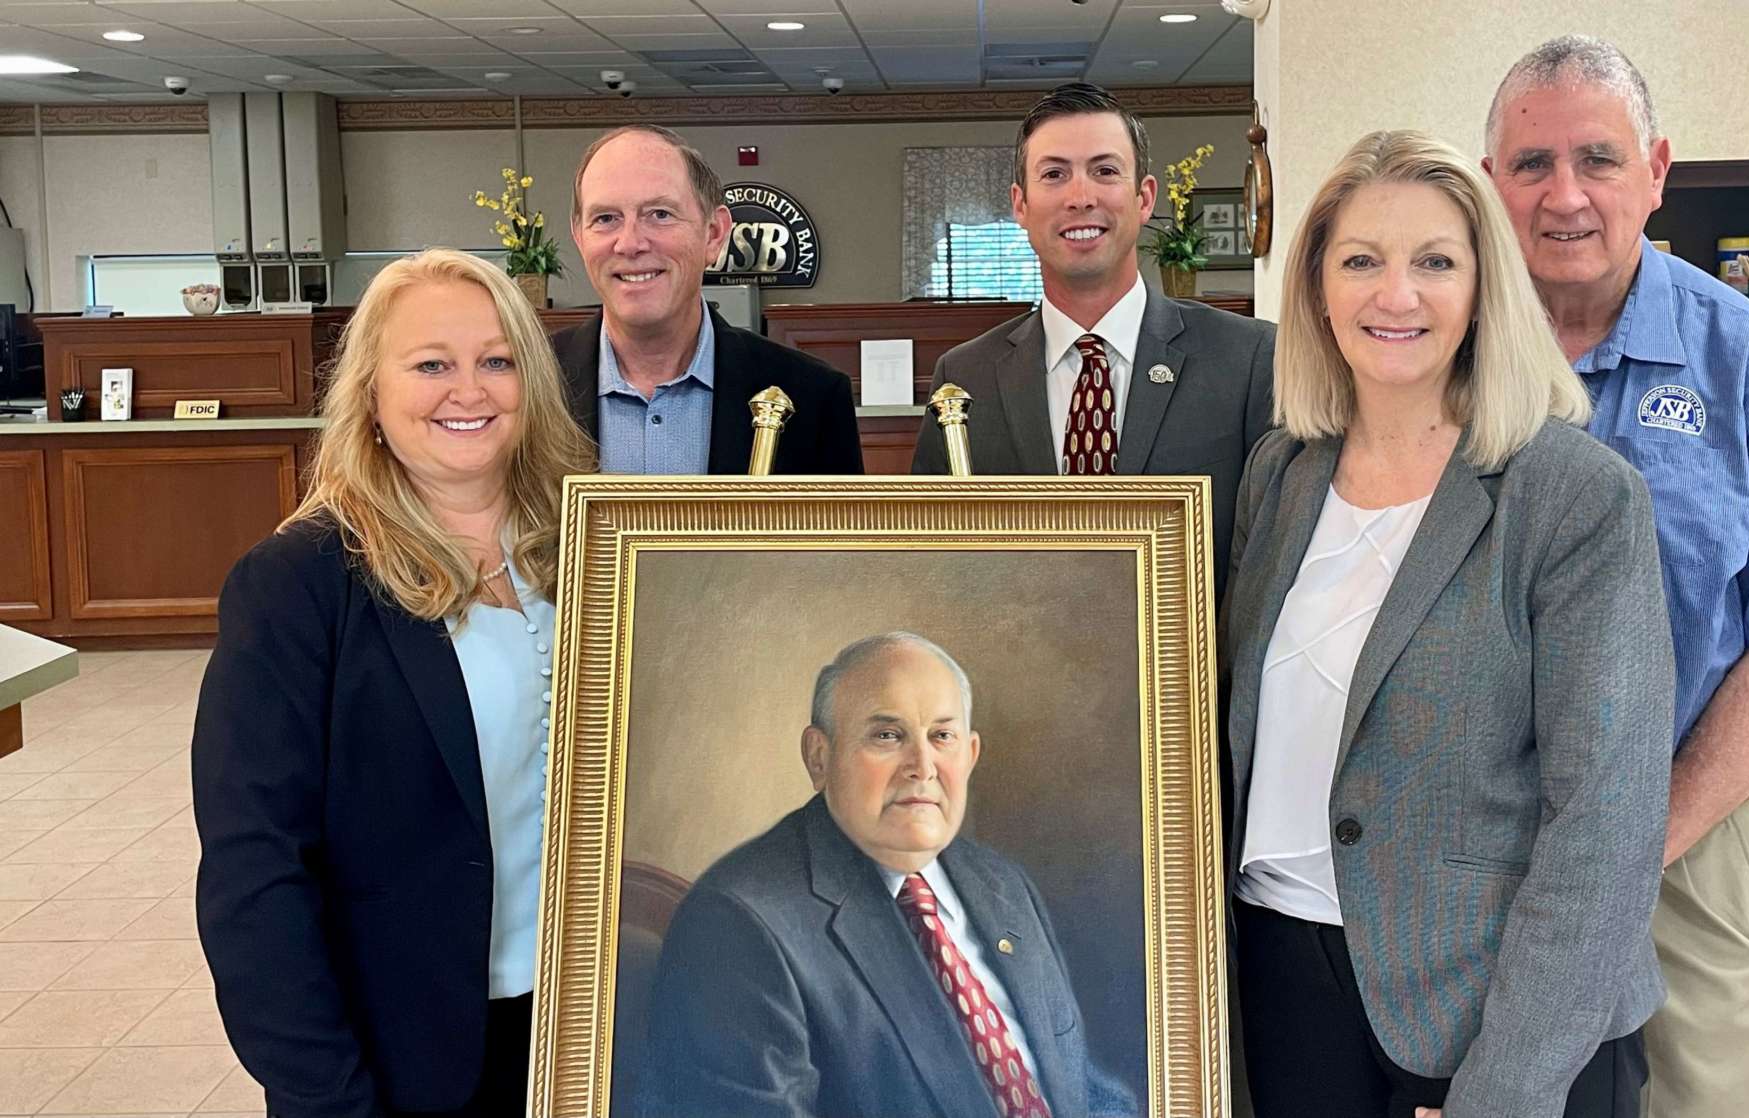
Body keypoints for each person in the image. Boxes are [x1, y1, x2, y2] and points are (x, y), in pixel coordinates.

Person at [1482, 36, 1749, 1118]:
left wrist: (1631, 843)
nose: (1565, 195)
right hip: (1475, 826)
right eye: (1532, 164)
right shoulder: (1440, 349)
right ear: (1491, 180)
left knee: (1693, 1093)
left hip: (1687, 820)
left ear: (1658, 170)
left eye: (1599, 158)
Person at [1223, 131, 1674, 1118]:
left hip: (1490, 1012)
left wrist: (1508, 1084)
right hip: (1289, 984)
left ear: (1484, 288)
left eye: (1435, 260)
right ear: (1315, 289)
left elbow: (1607, 821)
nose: (1397, 294)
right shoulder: (1282, 474)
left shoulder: (1574, 495)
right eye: (1361, 260)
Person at [193, 249, 595, 1118]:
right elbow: (254, 875)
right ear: (370, 394)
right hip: (402, 1059)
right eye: (431, 365)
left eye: (497, 360)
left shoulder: (589, 551)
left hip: (586, 1028)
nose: (470, 389)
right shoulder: (298, 585)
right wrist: (324, 1095)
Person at [644, 632, 1129, 1118]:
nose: (922, 767)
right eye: (887, 736)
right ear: (819, 757)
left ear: (970, 754)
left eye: (942, 736)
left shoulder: (1002, 885)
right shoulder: (738, 924)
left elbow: (1080, 1090)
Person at [910, 82, 1273, 576]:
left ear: (1144, 198)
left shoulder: (1249, 359)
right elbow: (933, 562)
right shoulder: (963, 377)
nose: (1080, 197)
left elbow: (1271, 564)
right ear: (1020, 205)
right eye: (1054, 174)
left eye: (1104, 171)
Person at [553, 124, 864, 475]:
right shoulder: (527, 385)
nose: (629, 243)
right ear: (579, 238)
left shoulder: (813, 397)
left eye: (660, 214)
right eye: (606, 218)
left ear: (714, 234)